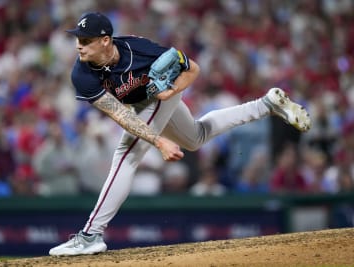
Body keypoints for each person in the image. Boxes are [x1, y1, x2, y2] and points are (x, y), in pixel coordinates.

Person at [49, 12, 311, 256]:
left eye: (85, 40)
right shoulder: (81, 73)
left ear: (106, 41)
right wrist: (158, 139)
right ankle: (266, 105)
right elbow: (121, 115)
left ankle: (91, 234)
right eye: (77, 40)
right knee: (196, 137)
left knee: (126, 155)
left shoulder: (142, 50)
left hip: (162, 94)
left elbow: (193, 69)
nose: (78, 46)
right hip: (139, 104)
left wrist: (170, 93)